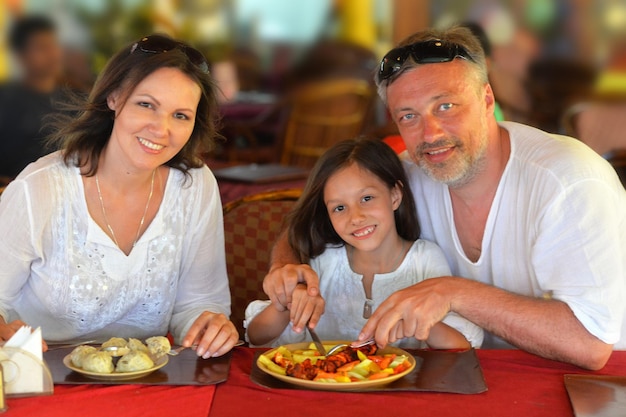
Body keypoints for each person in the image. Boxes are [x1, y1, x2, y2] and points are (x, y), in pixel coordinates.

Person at [263, 26, 626, 370]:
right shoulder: (409, 175)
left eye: (445, 107)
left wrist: (453, 292)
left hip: (590, 380)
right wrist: (287, 270)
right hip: (470, 372)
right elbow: (304, 222)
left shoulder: (568, 182)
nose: (430, 133)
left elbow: (590, 344)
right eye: (409, 116)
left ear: (487, 99)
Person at [0, 34, 238, 358]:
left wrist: (209, 325)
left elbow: (198, 303)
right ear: (114, 97)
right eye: (146, 105)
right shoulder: (39, 189)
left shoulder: (194, 186)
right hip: (44, 383)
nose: (161, 128)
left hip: (148, 385)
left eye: (180, 115)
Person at [245, 138, 482, 349]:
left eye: (367, 198)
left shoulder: (425, 260)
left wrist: (420, 322)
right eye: (339, 208)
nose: (355, 217)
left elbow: (461, 347)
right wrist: (288, 304)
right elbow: (256, 338)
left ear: (395, 195)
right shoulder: (322, 263)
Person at [0, 16, 66, 178]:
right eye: (41, 48)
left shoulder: (75, 101)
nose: (52, 54)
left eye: (53, 45)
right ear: (20, 55)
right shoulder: (5, 101)